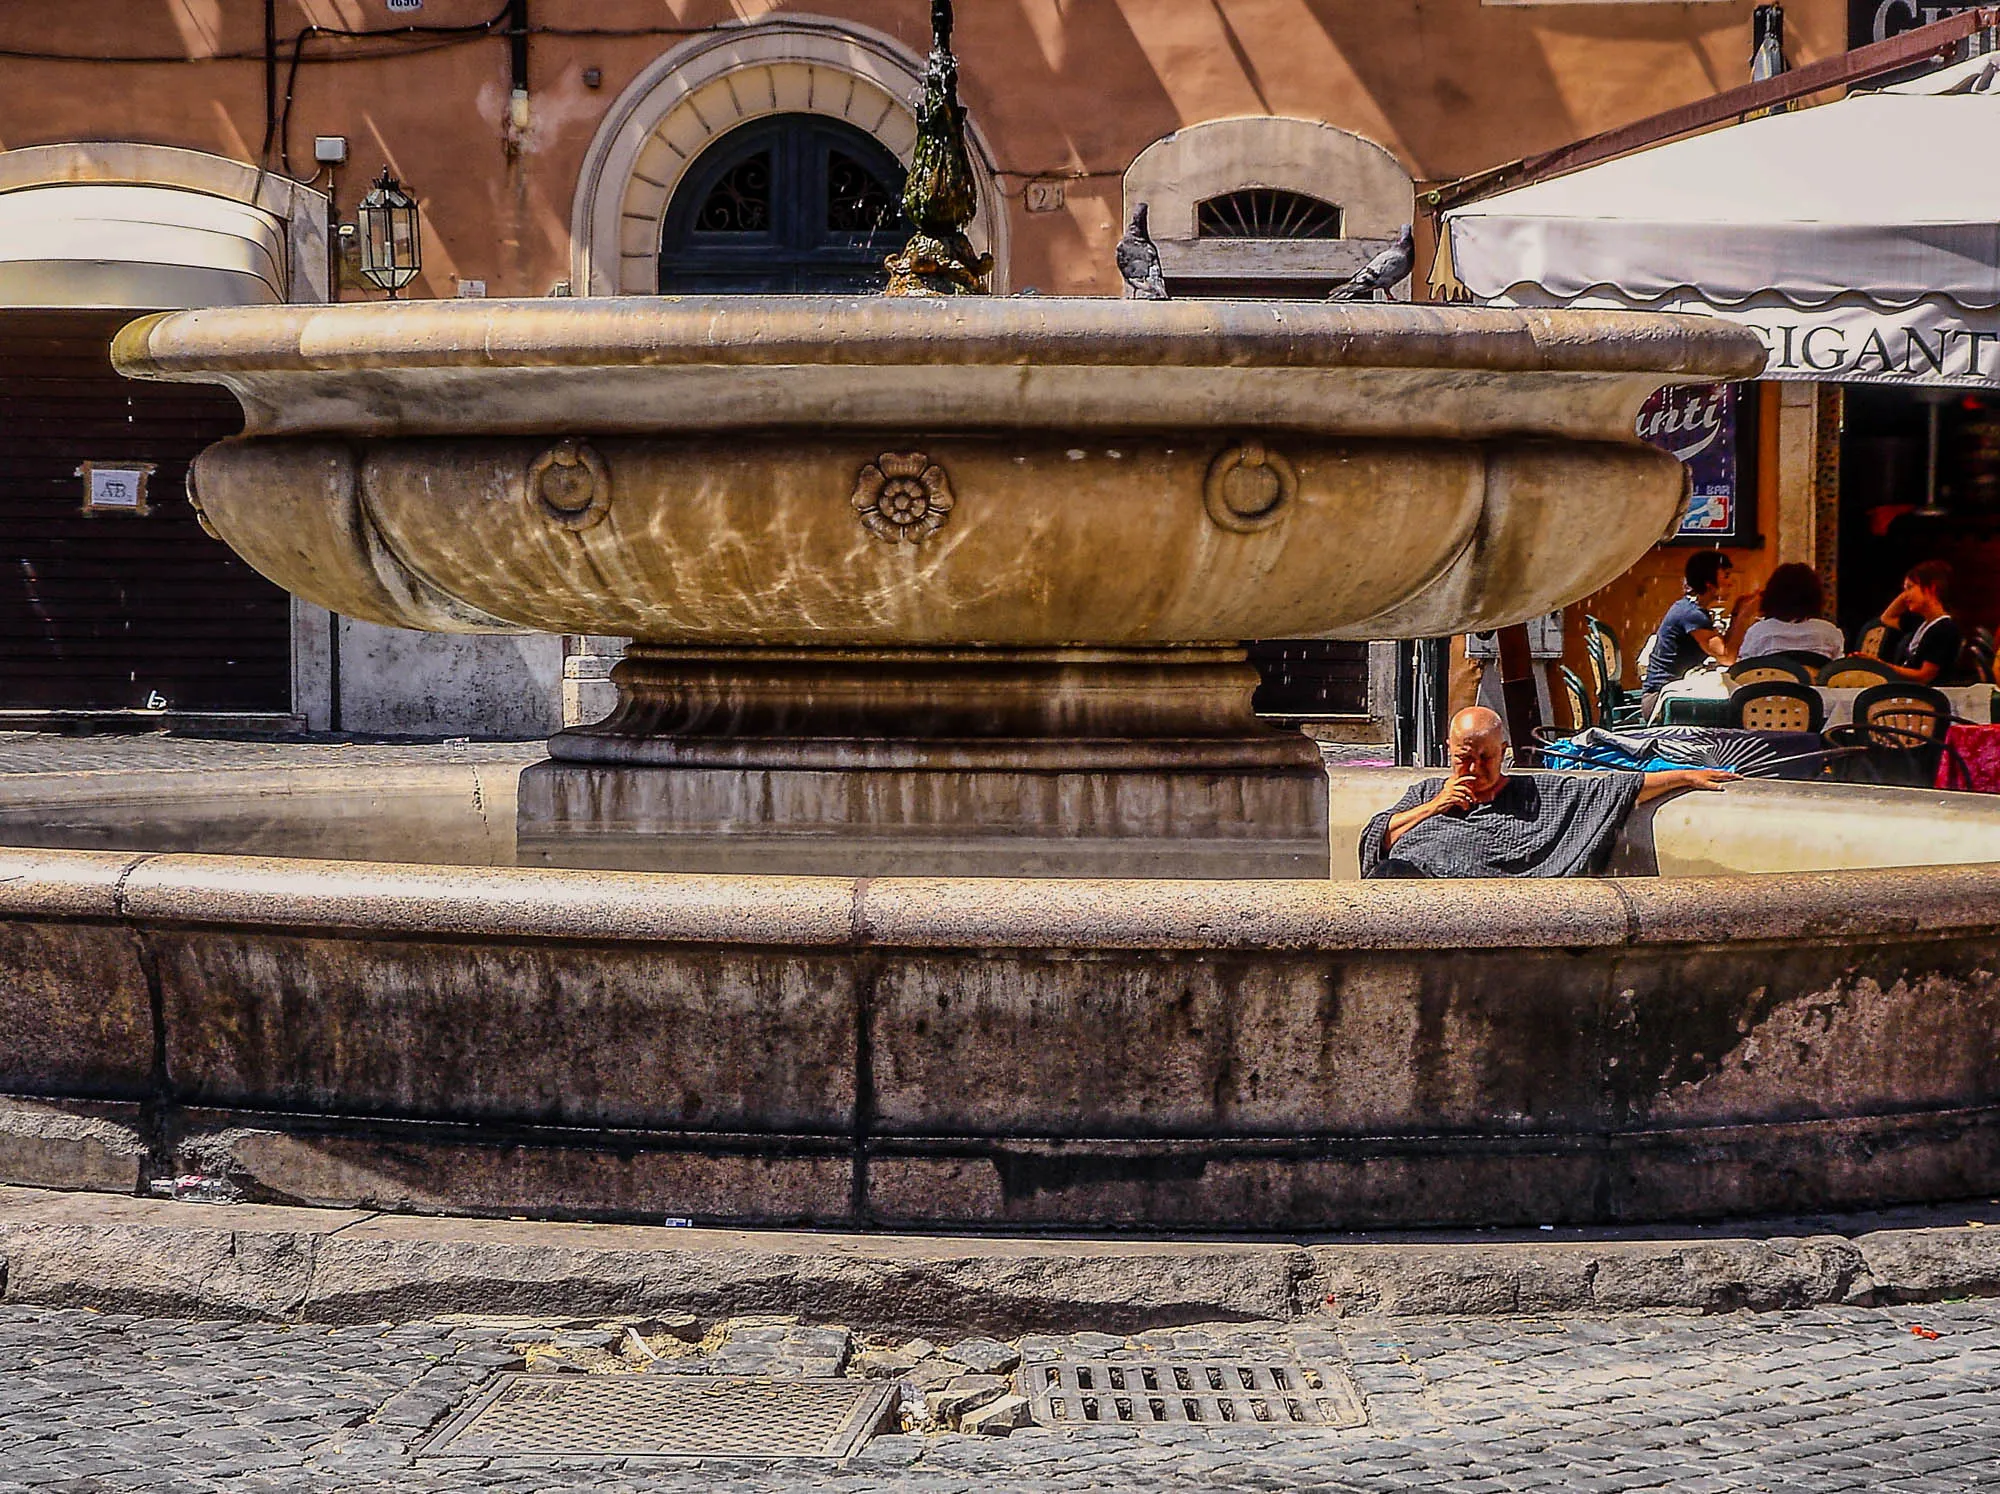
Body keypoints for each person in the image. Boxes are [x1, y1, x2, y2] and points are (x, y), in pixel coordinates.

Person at [1360, 706, 1733, 879]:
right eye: (1463, 759)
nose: (1473, 769)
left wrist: (1682, 775)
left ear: (1504, 752)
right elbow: (1380, 837)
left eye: (1485, 758)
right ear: (1448, 750)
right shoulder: (1427, 791)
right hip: (1407, 886)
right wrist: (1436, 806)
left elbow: (1615, 789)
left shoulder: (1537, 794)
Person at [1641, 551, 1749, 719]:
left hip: (1676, 693)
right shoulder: (1692, 614)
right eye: (1726, 576)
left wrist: (1737, 612)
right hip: (1663, 700)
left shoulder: (1690, 607)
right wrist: (1743, 617)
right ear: (1709, 583)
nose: (1731, 583)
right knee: (1735, 709)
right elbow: (1727, 657)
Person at [1863, 559, 1961, 685]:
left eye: (1910, 587)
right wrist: (1909, 594)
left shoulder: (1945, 628)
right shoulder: (1921, 623)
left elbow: (1925, 676)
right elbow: (1887, 618)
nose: (1905, 595)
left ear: (1931, 588)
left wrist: (1882, 666)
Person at [1738, 562, 1844, 665]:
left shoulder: (1759, 631)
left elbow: (1743, 671)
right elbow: (1837, 671)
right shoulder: (1829, 632)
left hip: (1771, 682)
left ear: (1772, 595)